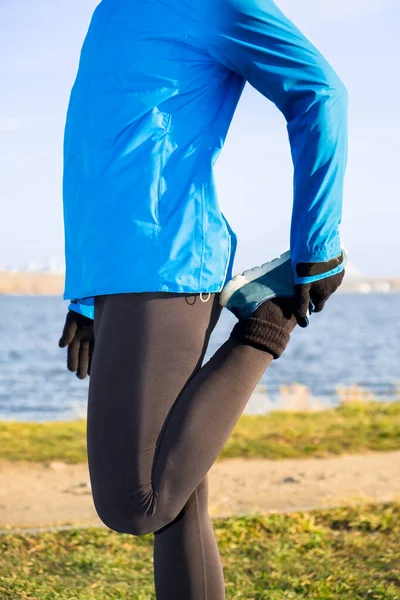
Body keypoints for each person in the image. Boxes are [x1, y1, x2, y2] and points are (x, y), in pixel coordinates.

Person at [58, 0, 348, 597]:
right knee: (180, 504)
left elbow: (320, 91)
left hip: (167, 263)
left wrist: (317, 241)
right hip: (120, 272)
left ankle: (268, 318)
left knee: (136, 502)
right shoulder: (111, 10)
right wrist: (85, 294)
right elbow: (98, 151)